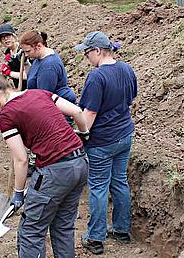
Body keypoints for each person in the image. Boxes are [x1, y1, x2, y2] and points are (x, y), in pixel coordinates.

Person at [0, 69, 89, 258]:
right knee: (63, 226)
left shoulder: (7, 114)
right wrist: (83, 134)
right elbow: (76, 111)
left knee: (31, 231)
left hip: (55, 170)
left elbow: (21, 159)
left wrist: (18, 193)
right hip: (80, 163)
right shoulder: (39, 93)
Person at [74, 31, 138, 255]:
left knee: (99, 187)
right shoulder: (127, 69)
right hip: (125, 135)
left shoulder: (96, 77)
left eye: (87, 53)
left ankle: (95, 238)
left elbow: (89, 112)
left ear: (98, 51)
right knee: (119, 182)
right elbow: (131, 98)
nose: (86, 58)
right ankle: (121, 229)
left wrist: (81, 135)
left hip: (102, 141)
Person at [20, 31, 76, 103]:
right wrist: (25, 63)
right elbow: (32, 77)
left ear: (39, 46)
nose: (26, 55)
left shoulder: (48, 66)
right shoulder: (39, 58)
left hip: (57, 109)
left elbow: (43, 98)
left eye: (28, 51)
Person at [0, 23, 28, 88]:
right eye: (3, 38)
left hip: (29, 87)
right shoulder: (8, 52)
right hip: (18, 87)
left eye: (8, 36)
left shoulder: (23, 51)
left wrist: (9, 73)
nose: (6, 39)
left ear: (14, 36)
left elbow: (27, 75)